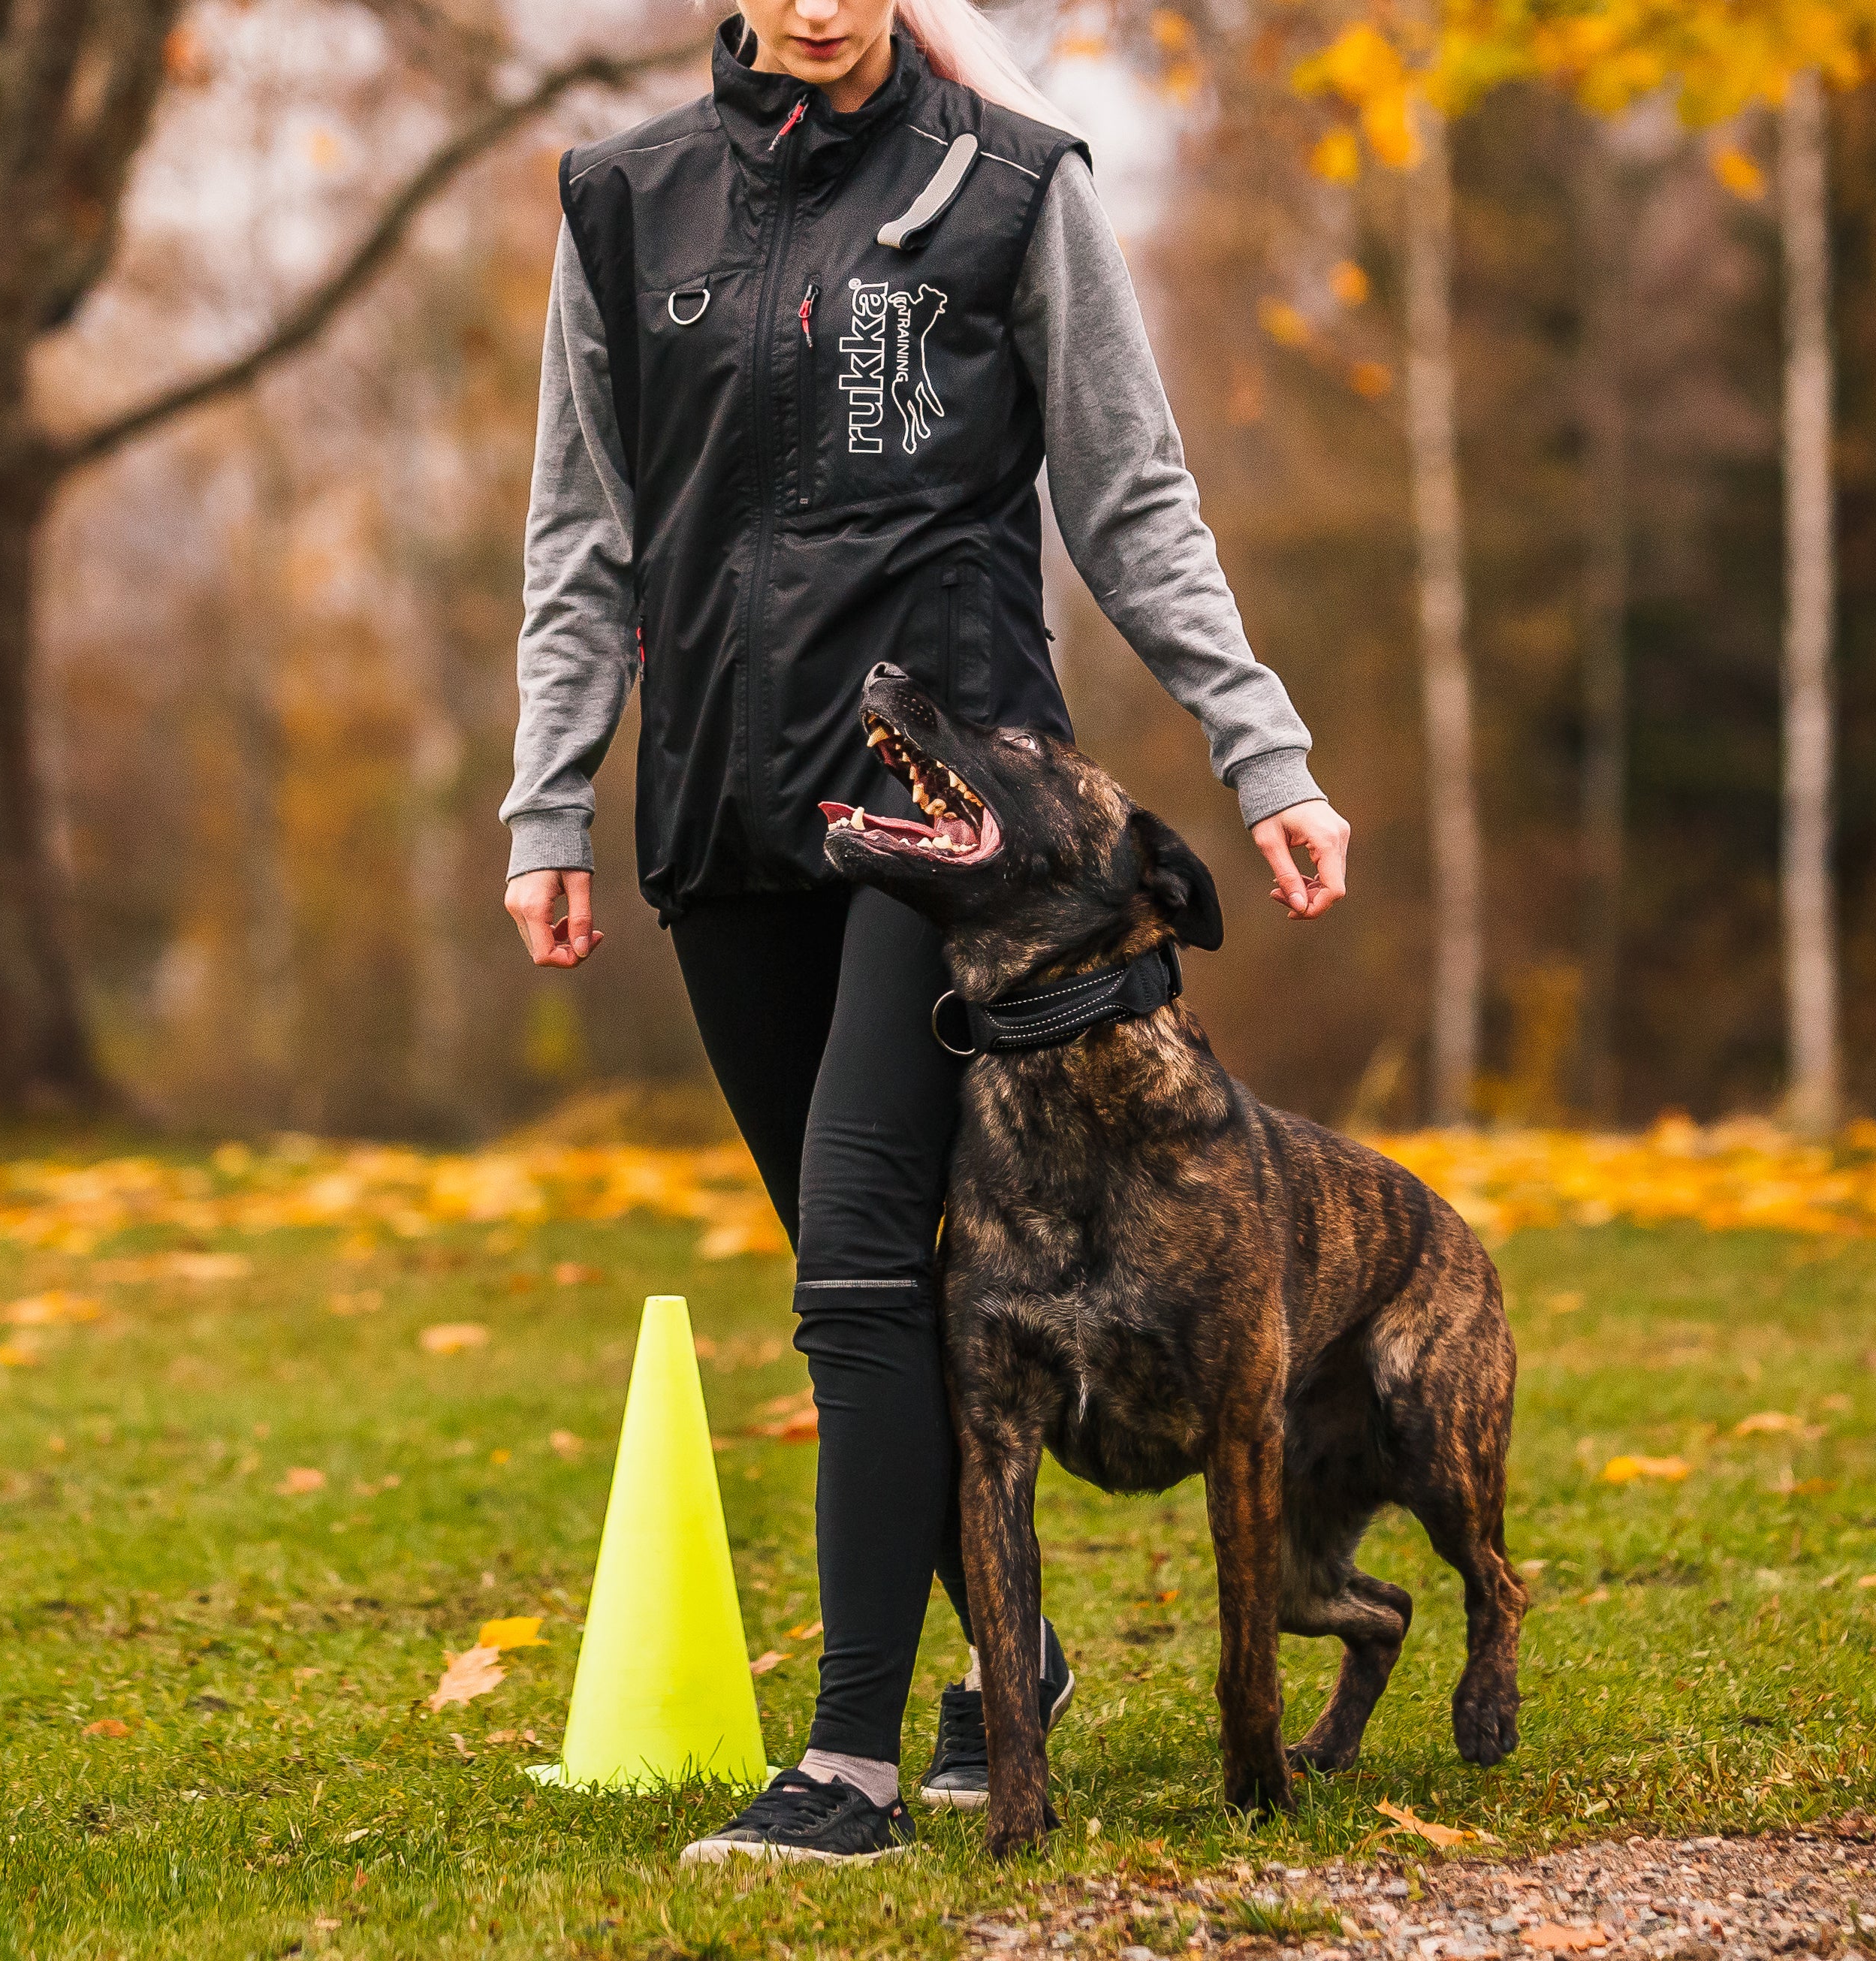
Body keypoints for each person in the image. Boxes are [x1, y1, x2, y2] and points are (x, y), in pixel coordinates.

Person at [499, 0, 1350, 1866]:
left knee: (859, 1264)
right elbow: (589, 532)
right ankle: (1015, 1645)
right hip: (722, 807)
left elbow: (1132, 501)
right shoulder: (624, 203)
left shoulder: (1013, 186)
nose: (819, 1)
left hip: (951, 830)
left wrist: (1262, 750)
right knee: (859, 1268)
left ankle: (850, 1768)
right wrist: (547, 795)